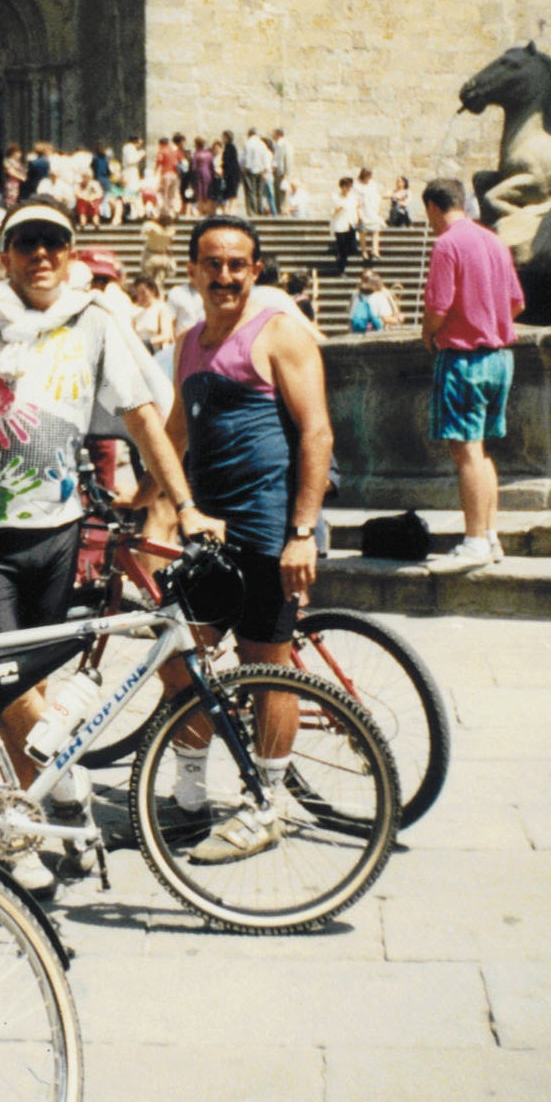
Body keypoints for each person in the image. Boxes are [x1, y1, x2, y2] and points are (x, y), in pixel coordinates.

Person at [0, 199, 221, 894]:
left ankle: (45, 801)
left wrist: (186, 505)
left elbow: (143, 417)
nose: (40, 255)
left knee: (35, 683)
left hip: (59, 529)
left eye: (53, 242)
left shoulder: (93, 321)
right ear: (7, 253)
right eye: (27, 243)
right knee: (13, 687)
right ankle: (33, 825)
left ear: (71, 251)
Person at [139, 217, 334, 860]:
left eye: (237, 265)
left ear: (255, 270)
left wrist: (302, 533)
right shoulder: (188, 342)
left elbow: (316, 434)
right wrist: (147, 503)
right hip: (210, 529)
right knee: (180, 659)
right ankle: (190, 800)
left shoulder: (281, 335)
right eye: (211, 263)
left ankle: (267, 803)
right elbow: (175, 434)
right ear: (192, 270)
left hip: (268, 527)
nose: (224, 276)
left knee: (264, 670)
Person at [420, 177, 525, 570]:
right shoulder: (494, 241)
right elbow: (517, 303)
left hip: (465, 359)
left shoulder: (447, 244)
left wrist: (428, 332)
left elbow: (439, 306)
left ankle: (475, 540)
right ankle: (491, 535)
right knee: (480, 451)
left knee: (465, 451)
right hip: (500, 357)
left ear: (432, 206)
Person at [349, 266, 402, 333]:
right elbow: (385, 318)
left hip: (358, 332)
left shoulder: (357, 295)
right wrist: (398, 320)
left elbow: (351, 318)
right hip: (376, 333)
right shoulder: (379, 296)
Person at [131, 275, 175, 352]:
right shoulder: (136, 312)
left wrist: (147, 342)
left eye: (143, 293)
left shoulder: (162, 308)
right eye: (138, 293)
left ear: (152, 290)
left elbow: (166, 335)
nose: (141, 297)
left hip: (157, 352)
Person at [352, 166, 382, 261]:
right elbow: (355, 200)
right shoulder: (356, 186)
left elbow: (376, 197)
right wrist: (358, 212)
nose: (369, 178)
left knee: (376, 229)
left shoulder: (372, 184)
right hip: (363, 210)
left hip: (372, 209)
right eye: (367, 176)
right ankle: (364, 251)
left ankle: (375, 249)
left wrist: (378, 209)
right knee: (363, 231)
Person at [242, 127, 274, 215]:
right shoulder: (262, 144)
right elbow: (265, 158)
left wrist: (245, 169)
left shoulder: (248, 143)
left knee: (250, 191)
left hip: (250, 170)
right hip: (261, 170)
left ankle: (252, 211)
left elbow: (247, 158)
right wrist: (265, 170)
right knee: (259, 192)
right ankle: (260, 210)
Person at [331, 175, 358, 273]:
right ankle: (341, 267)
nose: (348, 189)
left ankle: (342, 259)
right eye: (346, 186)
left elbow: (355, 209)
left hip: (350, 224)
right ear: (342, 186)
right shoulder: (336, 197)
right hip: (340, 225)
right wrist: (337, 209)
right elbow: (331, 212)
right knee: (342, 247)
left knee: (351, 247)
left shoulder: (352, 197)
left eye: (349, 186)